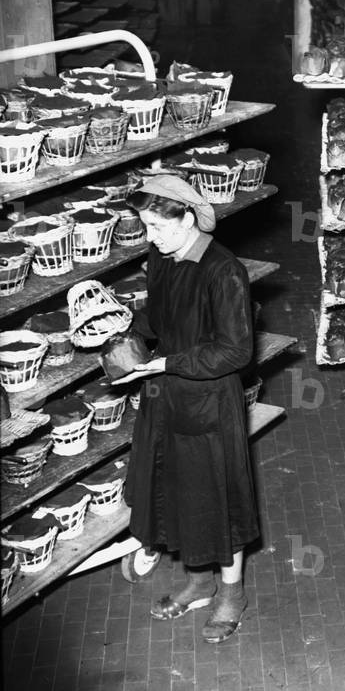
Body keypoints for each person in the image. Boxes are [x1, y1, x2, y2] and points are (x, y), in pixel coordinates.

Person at [123, 175, 259, 643]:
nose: (150, 236)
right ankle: (200, 581)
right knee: (181, 491)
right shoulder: (161, 258)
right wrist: (123, 325)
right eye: (144, 225)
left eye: (158, 225)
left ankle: (232, 593)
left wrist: (168, 362)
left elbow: (236, 352)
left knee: (219, 500)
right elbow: (157, 318)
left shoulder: (224, 272)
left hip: (207, 401)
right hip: (167, 397)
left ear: (188, 218)